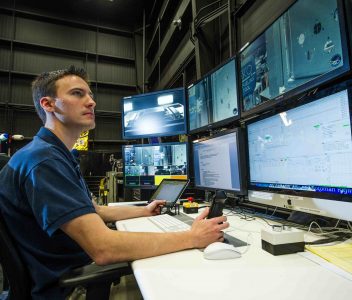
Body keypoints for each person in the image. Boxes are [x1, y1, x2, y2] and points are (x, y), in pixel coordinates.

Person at [0, 66, 228, 299]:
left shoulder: (54, 154)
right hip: (64, 289)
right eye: (78, 94)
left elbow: (95, 211)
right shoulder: (44, 161)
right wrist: (192, 237)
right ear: (48, 104)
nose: (91, 102)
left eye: (90, 95)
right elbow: (103, 248)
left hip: (65, 275)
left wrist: (144, 213)